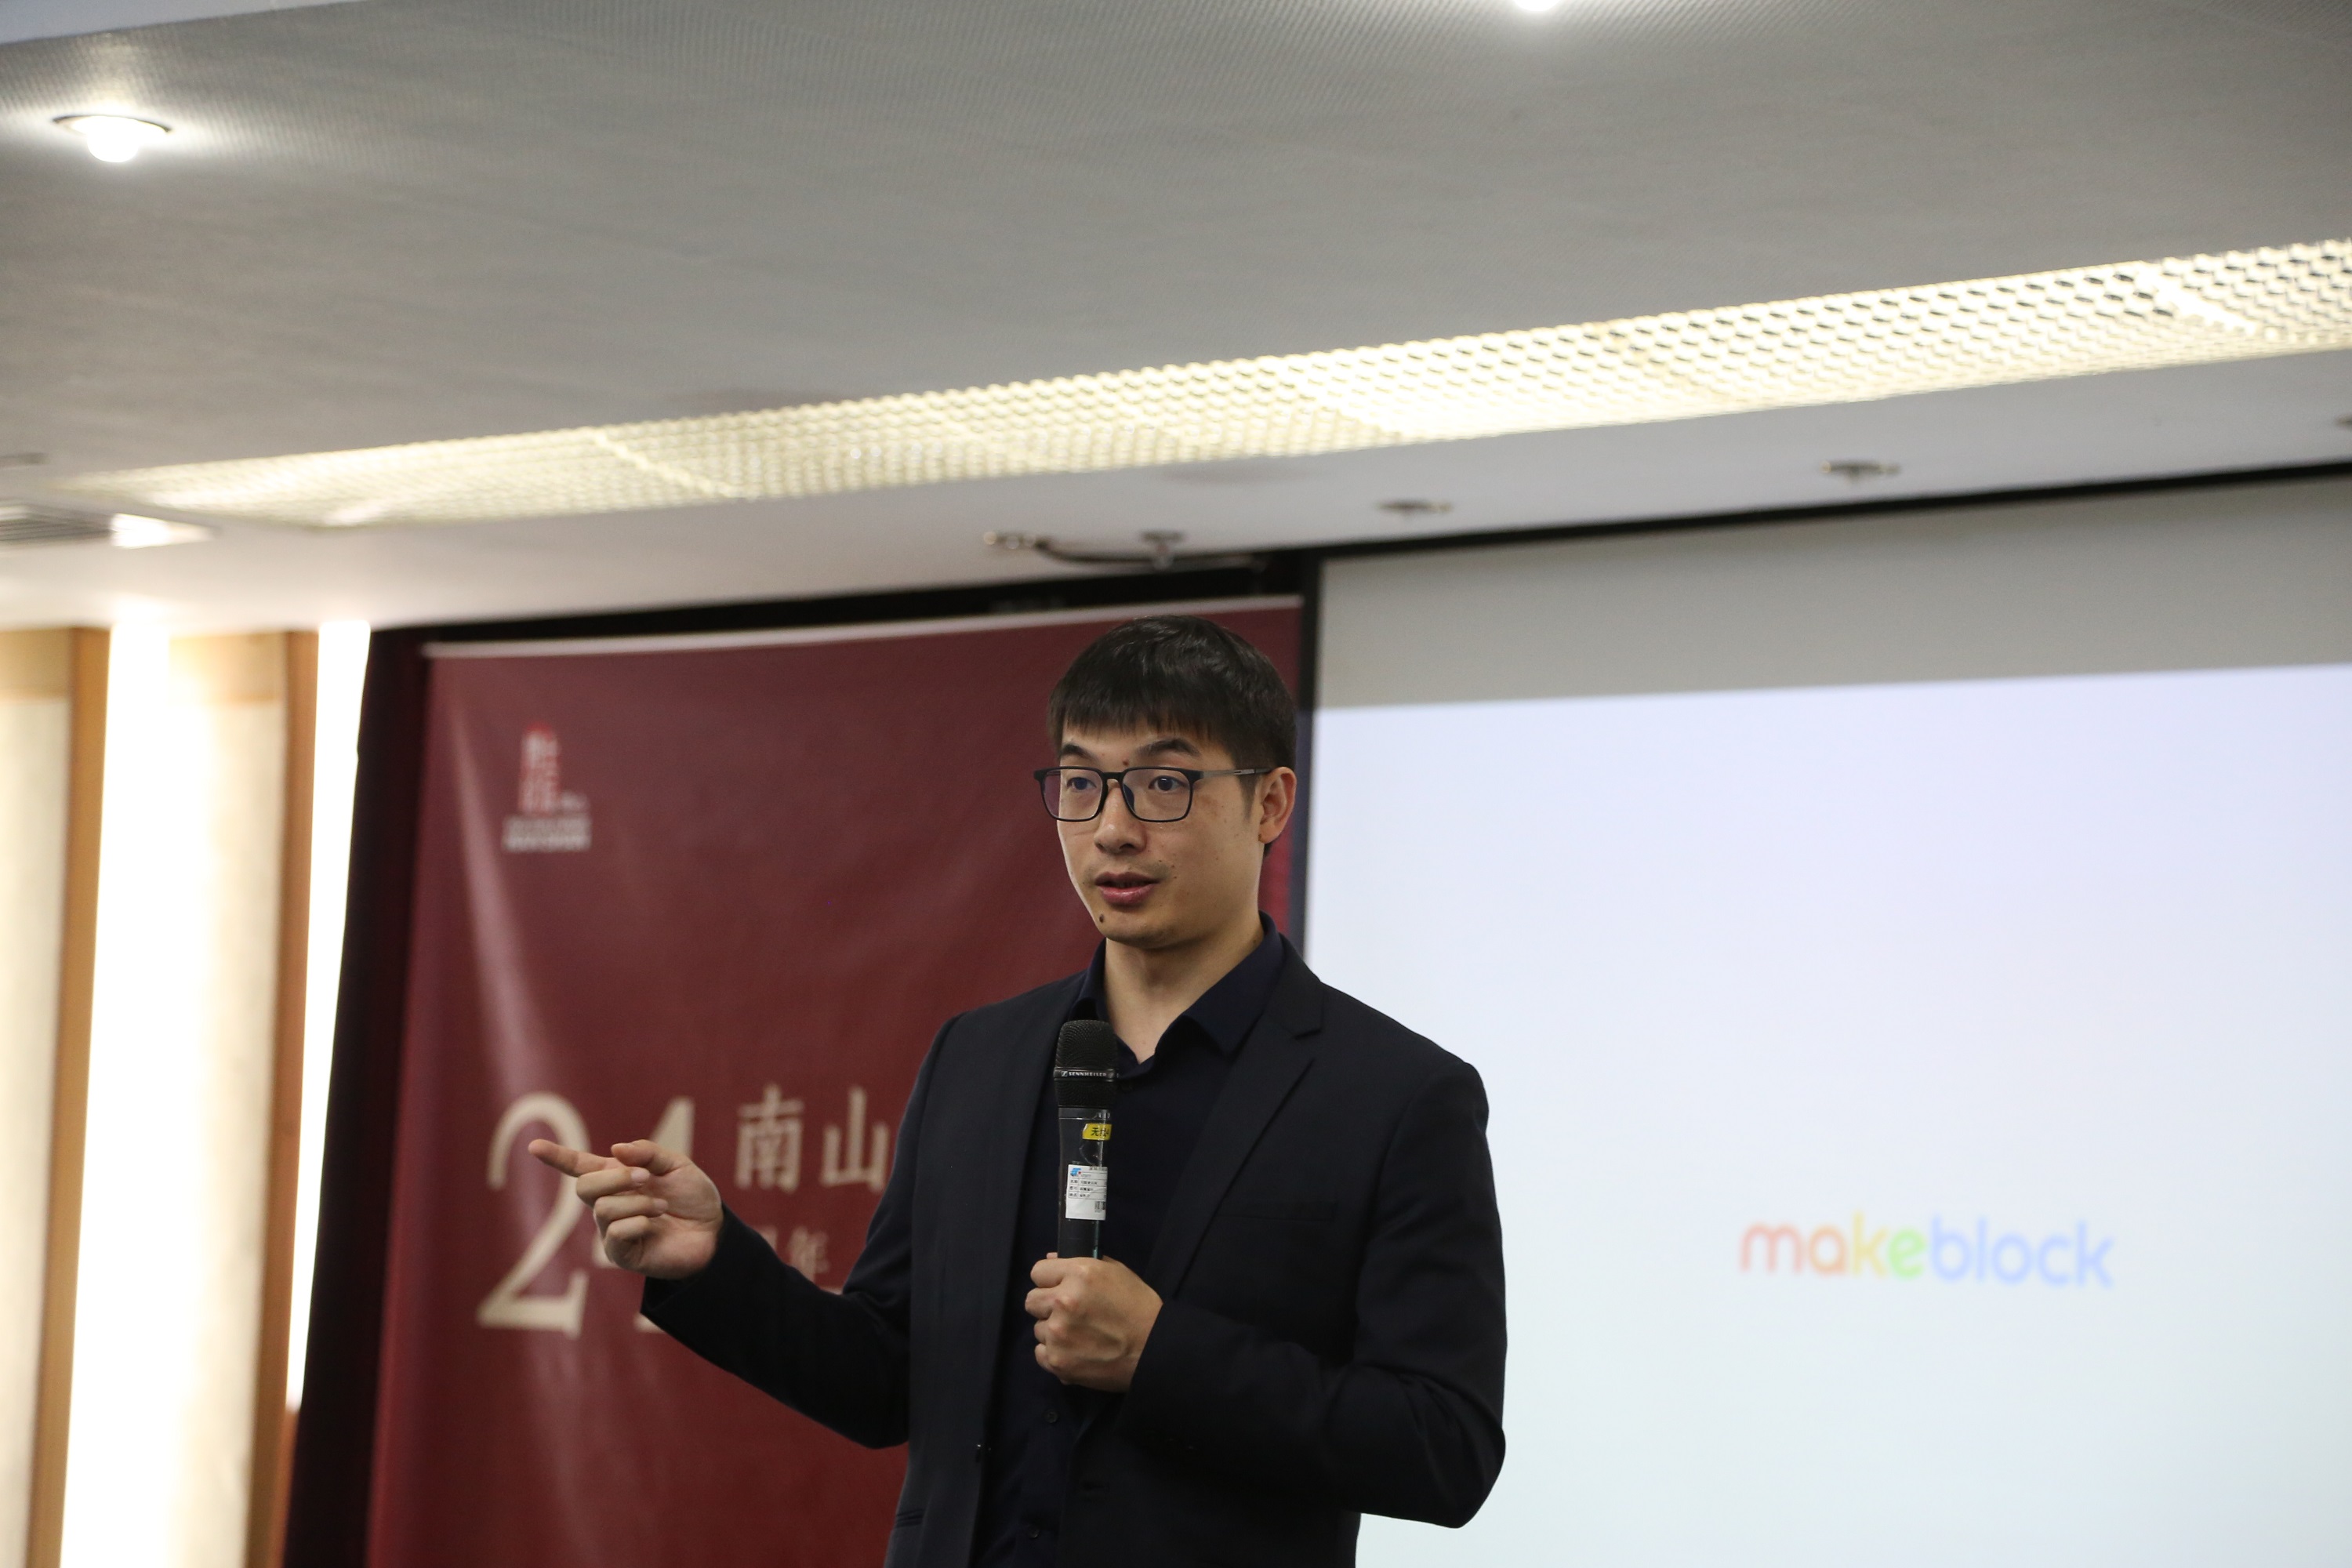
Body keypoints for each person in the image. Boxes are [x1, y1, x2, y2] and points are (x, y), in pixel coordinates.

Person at [530, 614, 1505, 1568]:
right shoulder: (981, 1055)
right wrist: (716, 1264)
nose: (1113, 829)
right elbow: (885, 1378)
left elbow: (1443, 1445)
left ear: (1271, 803)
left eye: (1163, 784)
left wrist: (1160, 1353)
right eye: (1082, 783)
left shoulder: (1396, 1095)